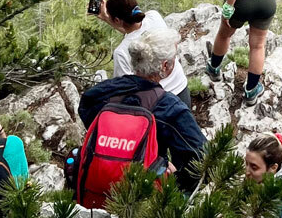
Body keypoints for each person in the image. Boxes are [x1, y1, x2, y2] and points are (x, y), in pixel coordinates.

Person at [78, 26, 206, 192]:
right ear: (165, 65)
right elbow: (202, 157)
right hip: (143, 196)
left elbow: (85, 108)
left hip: (97, 190)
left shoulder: (101, 93)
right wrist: (175, 180)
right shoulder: (169, 107)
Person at [98, 0, 191, 107]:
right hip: (181, 88)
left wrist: (108, 19)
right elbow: (136, 30)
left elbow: (125, 88)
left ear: (117, 20)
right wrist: (109, 18)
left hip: (158, 103)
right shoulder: (154, 16)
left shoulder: (121, 52)